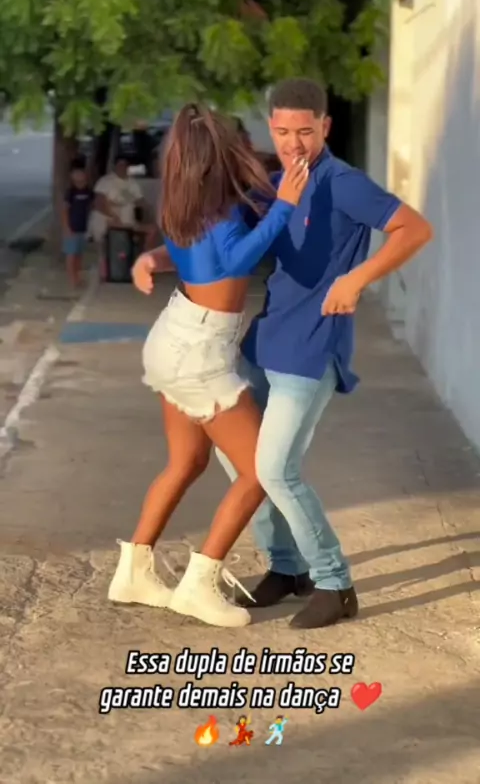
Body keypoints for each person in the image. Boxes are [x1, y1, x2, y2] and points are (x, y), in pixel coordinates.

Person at [132, 78, 433, 630]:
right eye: (283, 131)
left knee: (274, 469)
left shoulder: (345, 184)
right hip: (263, 341)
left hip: (311, 348)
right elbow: (220, 250)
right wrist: (156, 257)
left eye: (305, 131)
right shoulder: (276, 186)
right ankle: (286, 567)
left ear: (325, 127)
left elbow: (414, 229)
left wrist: (357, 279)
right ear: (271, 128)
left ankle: (334, 583)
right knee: (241, 464)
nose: (294, 142)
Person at [108, 103, 309, 628]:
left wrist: (152, 258)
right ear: (218, 155)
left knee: (186, 462)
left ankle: (133, 572)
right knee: (262, 469)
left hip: (176, 337)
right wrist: (286, 205)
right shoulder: (222, 215)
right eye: (236, 144)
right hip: (199, 353)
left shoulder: (189, 204)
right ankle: (199, 585)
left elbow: (195, 255)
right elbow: (238, 259)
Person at [90, 154, 156, 250]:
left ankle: (145, 255)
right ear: (115, 166)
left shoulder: (132, 183)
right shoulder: (105, 181)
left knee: (152, 229)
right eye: (120, 165)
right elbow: (98, 203)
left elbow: (140, 201)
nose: (122, 167)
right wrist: (113, 216)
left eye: (125, 165)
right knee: (111, 242)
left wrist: (151, 210)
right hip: (109, 221)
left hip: (128, 222)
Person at [62, 158, 93, 289]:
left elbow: (92, 207)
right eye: (76, 174)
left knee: (79, 255)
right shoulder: (70, 192)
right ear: (72, 176)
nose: (79, 176)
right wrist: (66, 227)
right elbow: (64, 210)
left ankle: (78, 278)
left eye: (81, 173)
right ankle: (72, 280)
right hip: (72, 228)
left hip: (83, 228)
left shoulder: (88, 191)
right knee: (71, 255)